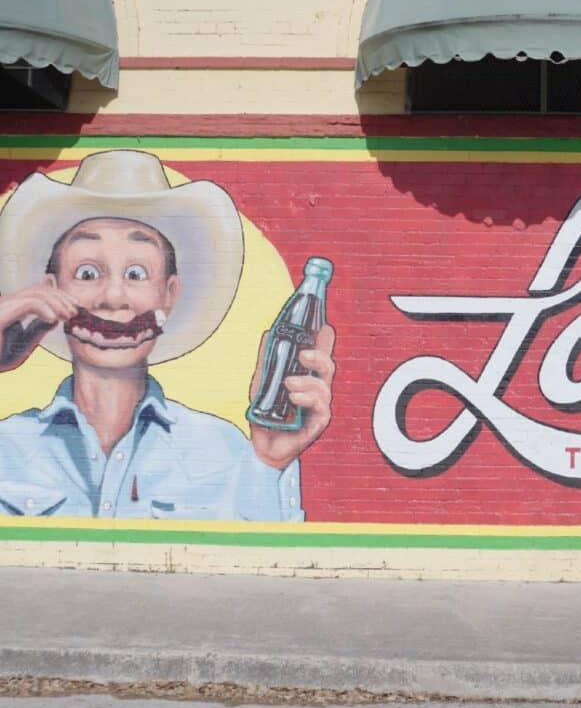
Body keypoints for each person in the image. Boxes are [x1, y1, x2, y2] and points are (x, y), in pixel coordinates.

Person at [0, 150, 334, 520]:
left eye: (137, 274)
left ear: (169, 294)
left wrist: (270, 464)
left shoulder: (225, 454)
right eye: (88, 274)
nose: (113, 299)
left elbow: (267, 570)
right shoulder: (9, 447)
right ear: (51, 288)